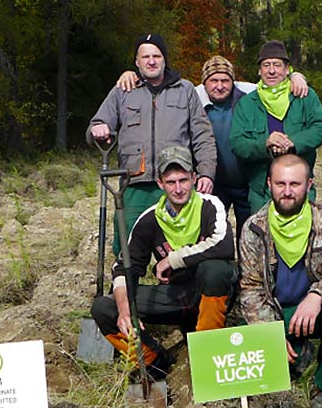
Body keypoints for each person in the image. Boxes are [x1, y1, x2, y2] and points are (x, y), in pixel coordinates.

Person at [114, 56, 310, 235]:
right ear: (204, 82)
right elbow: (162, 86)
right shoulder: (192, 95)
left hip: (247, 182)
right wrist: (130, 73)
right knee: (212, 231)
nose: (219, 86)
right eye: (213, 81)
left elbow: (273, 79)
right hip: (211, 183)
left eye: (225, 81)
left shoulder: (249, 94)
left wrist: (296, 76)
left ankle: (248, 272)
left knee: (251, 232)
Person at [90, 146, 236, 379]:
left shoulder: (210, 205)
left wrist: (173, 259)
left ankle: (209, 352)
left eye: (183, 180)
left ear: (194, 178)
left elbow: (224, 245)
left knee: (216, 269)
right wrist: (124, 306)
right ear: (160, 184)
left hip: (207, 294)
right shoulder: (149, 219)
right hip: (173, 297)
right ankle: (152, 359)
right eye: (171, 182)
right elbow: (124, 268)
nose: (178, 189)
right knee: (103, 307)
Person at [239, 154, 322, 408]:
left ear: (309, 185)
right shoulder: (253, 229)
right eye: (280, 184)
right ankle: (297, 352)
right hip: (277, 313)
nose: (287, 192)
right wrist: (271, 335)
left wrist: (317, 295)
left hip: (314, 311)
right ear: (269, 184)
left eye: (295, 184)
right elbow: (251, 288)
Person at [88, 34, 217, 254]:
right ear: (137, 62)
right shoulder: (123, 90)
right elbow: (96, 126)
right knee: (127, 248)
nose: (151, 61)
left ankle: (178, 286)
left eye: (156, 55)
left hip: (176, 183)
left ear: (164, 59)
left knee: (183, 245)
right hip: (134, 184)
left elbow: (203, 136)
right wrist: (98, 129)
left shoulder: (185, 90)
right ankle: (125, 285)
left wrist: (206, 172)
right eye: (145, 56)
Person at [231, 41, 322, 213]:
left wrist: (293, 143)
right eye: (266, 65)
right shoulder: (247, 104)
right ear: (259, 70)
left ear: (287, 69)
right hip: (261, 191)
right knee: (262, 237)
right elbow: (237, 142)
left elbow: (320, 128)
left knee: (303, 237)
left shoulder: (304, 96)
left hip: (300, 187)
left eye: (277, 65)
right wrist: (265, 143)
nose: (271, 70)